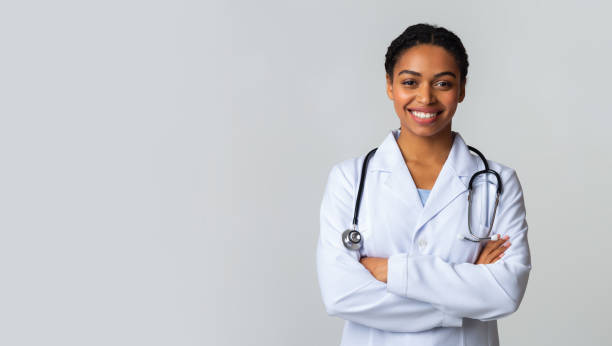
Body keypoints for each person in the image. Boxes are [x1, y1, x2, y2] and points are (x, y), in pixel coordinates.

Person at [316, 23, 531, 346]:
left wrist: (392, 271)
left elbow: (503, 292)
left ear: (461, 89)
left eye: (443, 83)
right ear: (390, 86)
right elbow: (340, 294)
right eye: (410, 82)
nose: (426, 97)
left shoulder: (498, 183)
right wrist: (459, 302)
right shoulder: (349, 179)